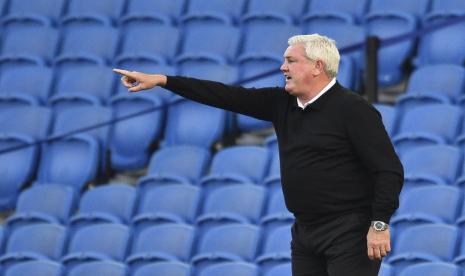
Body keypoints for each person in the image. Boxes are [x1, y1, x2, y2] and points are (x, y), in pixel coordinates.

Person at [114, 34, 404, 276]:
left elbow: (388, 170)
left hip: (349, 231)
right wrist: (164, 80)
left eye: (291, 60)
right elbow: (224, 95)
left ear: (317, 66)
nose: (282, 67)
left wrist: (379, 224)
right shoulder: (282, 103)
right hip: (305, 232)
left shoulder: (353, 109)